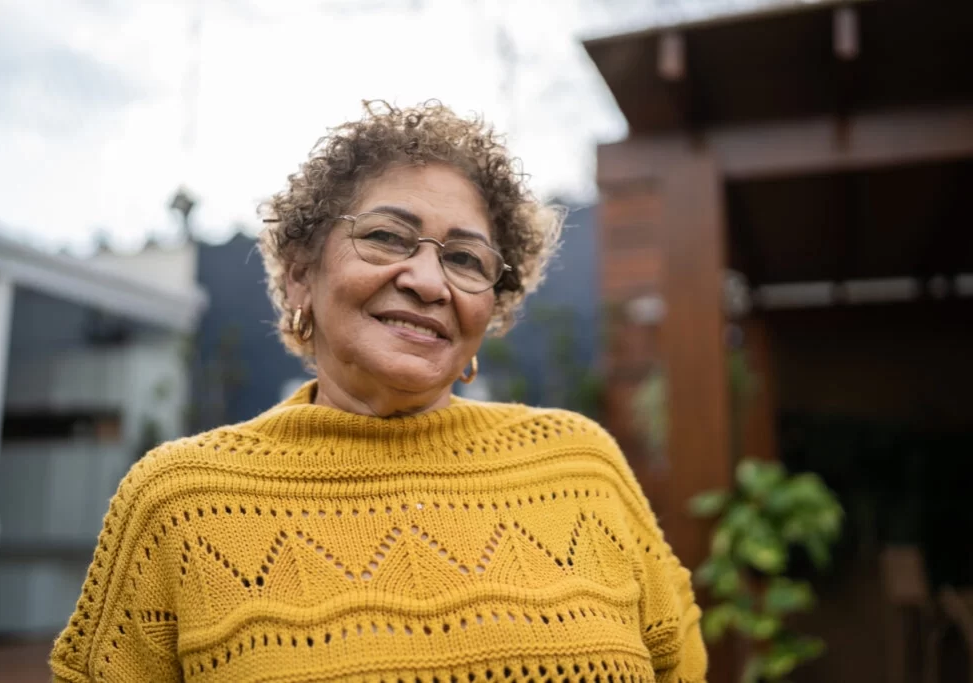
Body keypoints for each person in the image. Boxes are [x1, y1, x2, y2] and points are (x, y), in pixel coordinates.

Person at [50, 101, 707, 682]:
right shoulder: (177, 503)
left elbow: (681, 660)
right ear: (302, 273)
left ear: (491, 310)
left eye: (466, 259)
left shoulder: (581, 465)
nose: (428, 279)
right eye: (387, 236)